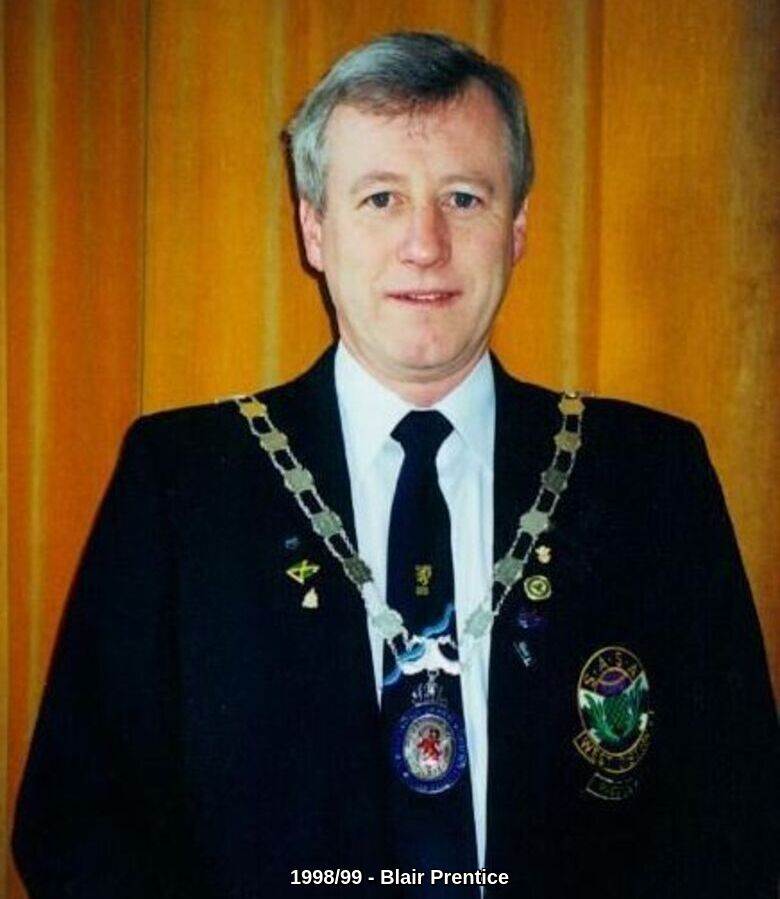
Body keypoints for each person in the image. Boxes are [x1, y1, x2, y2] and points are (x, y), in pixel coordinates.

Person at [12, 31, 777, 899]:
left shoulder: (649, 478)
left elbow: (740, 815)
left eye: (463, 197)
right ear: (314, 228)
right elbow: (74, 821)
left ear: (518, 228)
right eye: (380, 198)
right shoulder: (185, 482)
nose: (424, 243)